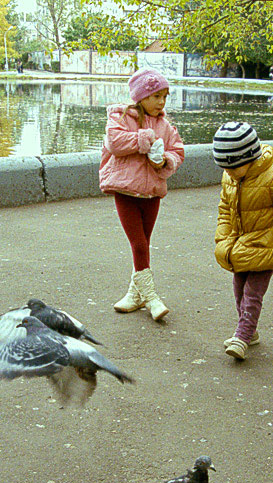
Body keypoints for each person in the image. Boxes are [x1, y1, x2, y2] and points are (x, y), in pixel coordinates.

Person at [212, 121, 273, 360]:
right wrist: (223, 237)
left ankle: (243, 336)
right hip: (241, 247)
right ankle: (250, 331)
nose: (230, 173)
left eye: (234, 167)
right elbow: (225, 209)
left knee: (252, 293)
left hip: (267, 246)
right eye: (226, 168)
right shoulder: (231, 178)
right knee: (239, 291)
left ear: (250, 157)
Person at [100, 67, 185, 321]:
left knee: (144, 244)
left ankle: (133, 296)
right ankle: (151, 297)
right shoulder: (121, 116)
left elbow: (178, 150)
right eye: (157, 96)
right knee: (138, 243)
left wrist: (164, 161)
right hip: (126, 191)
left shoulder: (166, 125)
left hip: (152, 193)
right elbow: (115, 143)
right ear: (141, 97)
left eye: (165, 96)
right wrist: (144, 138)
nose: (162, 102)